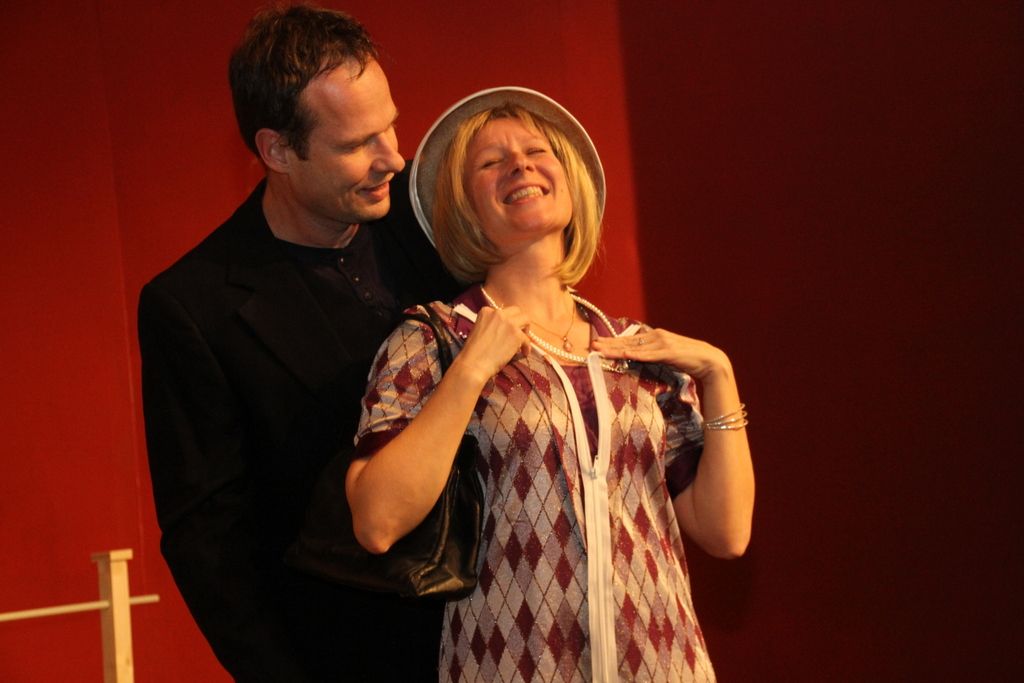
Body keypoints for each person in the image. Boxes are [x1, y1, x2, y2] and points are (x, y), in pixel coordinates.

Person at [345, 87, 755, 682]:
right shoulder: (434, 339)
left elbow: (726, 532)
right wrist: (470, 371)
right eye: (491, 162)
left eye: (537, 151)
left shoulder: (639, 351)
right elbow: (376, 521)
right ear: (463, 209)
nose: (520, 166)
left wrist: (718, 373)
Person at [137, 5, 458, 681]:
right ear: (277, 150)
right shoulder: (193, 306)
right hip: (353, 655)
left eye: (390, 125)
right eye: (356, 144)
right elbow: (210, 542)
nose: (392, 157)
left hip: (500, 634)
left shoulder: (431, 213)